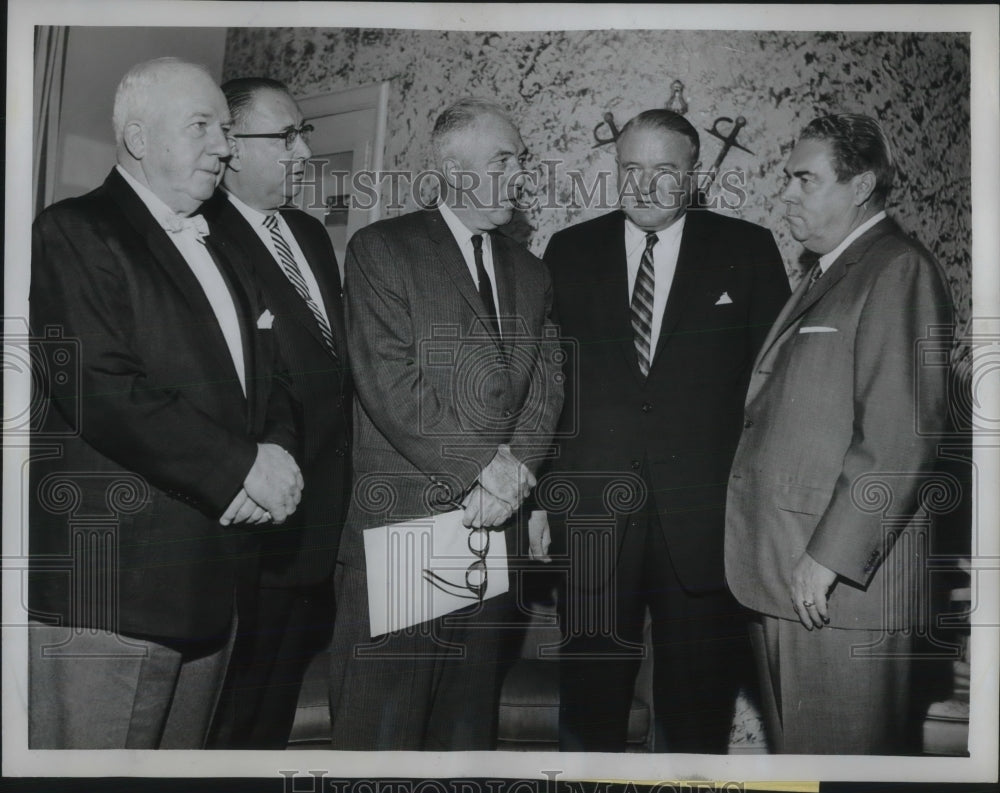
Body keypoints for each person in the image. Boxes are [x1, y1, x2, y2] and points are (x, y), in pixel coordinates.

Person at [28, 58, 303, 749]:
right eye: (203, 126)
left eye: (226, 129)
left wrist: (273, 456)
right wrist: (241, 468)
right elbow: (103, 388)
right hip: (115, 589)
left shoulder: (224, 246)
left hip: (213, 585)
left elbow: (273, 376)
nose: (224, 145)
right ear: (141, 139)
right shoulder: (74, 231)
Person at [544, 108, 790, 752]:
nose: (645, 186)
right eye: (630, 169)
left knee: (696, 714)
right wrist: (545, 498)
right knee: (590, 708)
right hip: (594, 516)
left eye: (664, 170)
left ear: (694, 174)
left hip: (705, 524)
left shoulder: (747, 249)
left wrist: (759, 512)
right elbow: (546, 386)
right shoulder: (569, 252)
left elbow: (776, 391)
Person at [327, 97, 563, 750]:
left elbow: (547, 384)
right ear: (452, 167)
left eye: (520, 159)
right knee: (381, 733)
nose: (520, 173)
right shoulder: (383, 250)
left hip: (497, 534)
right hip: (410, 526)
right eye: (503, 159)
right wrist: (483, 471)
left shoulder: (532, 270)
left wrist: (514, 480)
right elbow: (389, 382)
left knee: (464, 733)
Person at [724, 114, 953, 754]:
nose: (788, 195)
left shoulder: (898, 269)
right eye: (787, 179)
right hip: (792, 574)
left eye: (805, 179)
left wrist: (829, 555)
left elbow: (902, 436)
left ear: (861, 187)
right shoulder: (833, 271)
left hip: (840, 586)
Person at [201, 77, 352, 749]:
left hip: (317, 528)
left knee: (272, 715)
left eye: (304, 134)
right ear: (229, 146)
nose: (302, 152)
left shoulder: (311, 235)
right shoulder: (202, 236)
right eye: (284, 136)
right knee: (226, 719)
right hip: (250, 532)